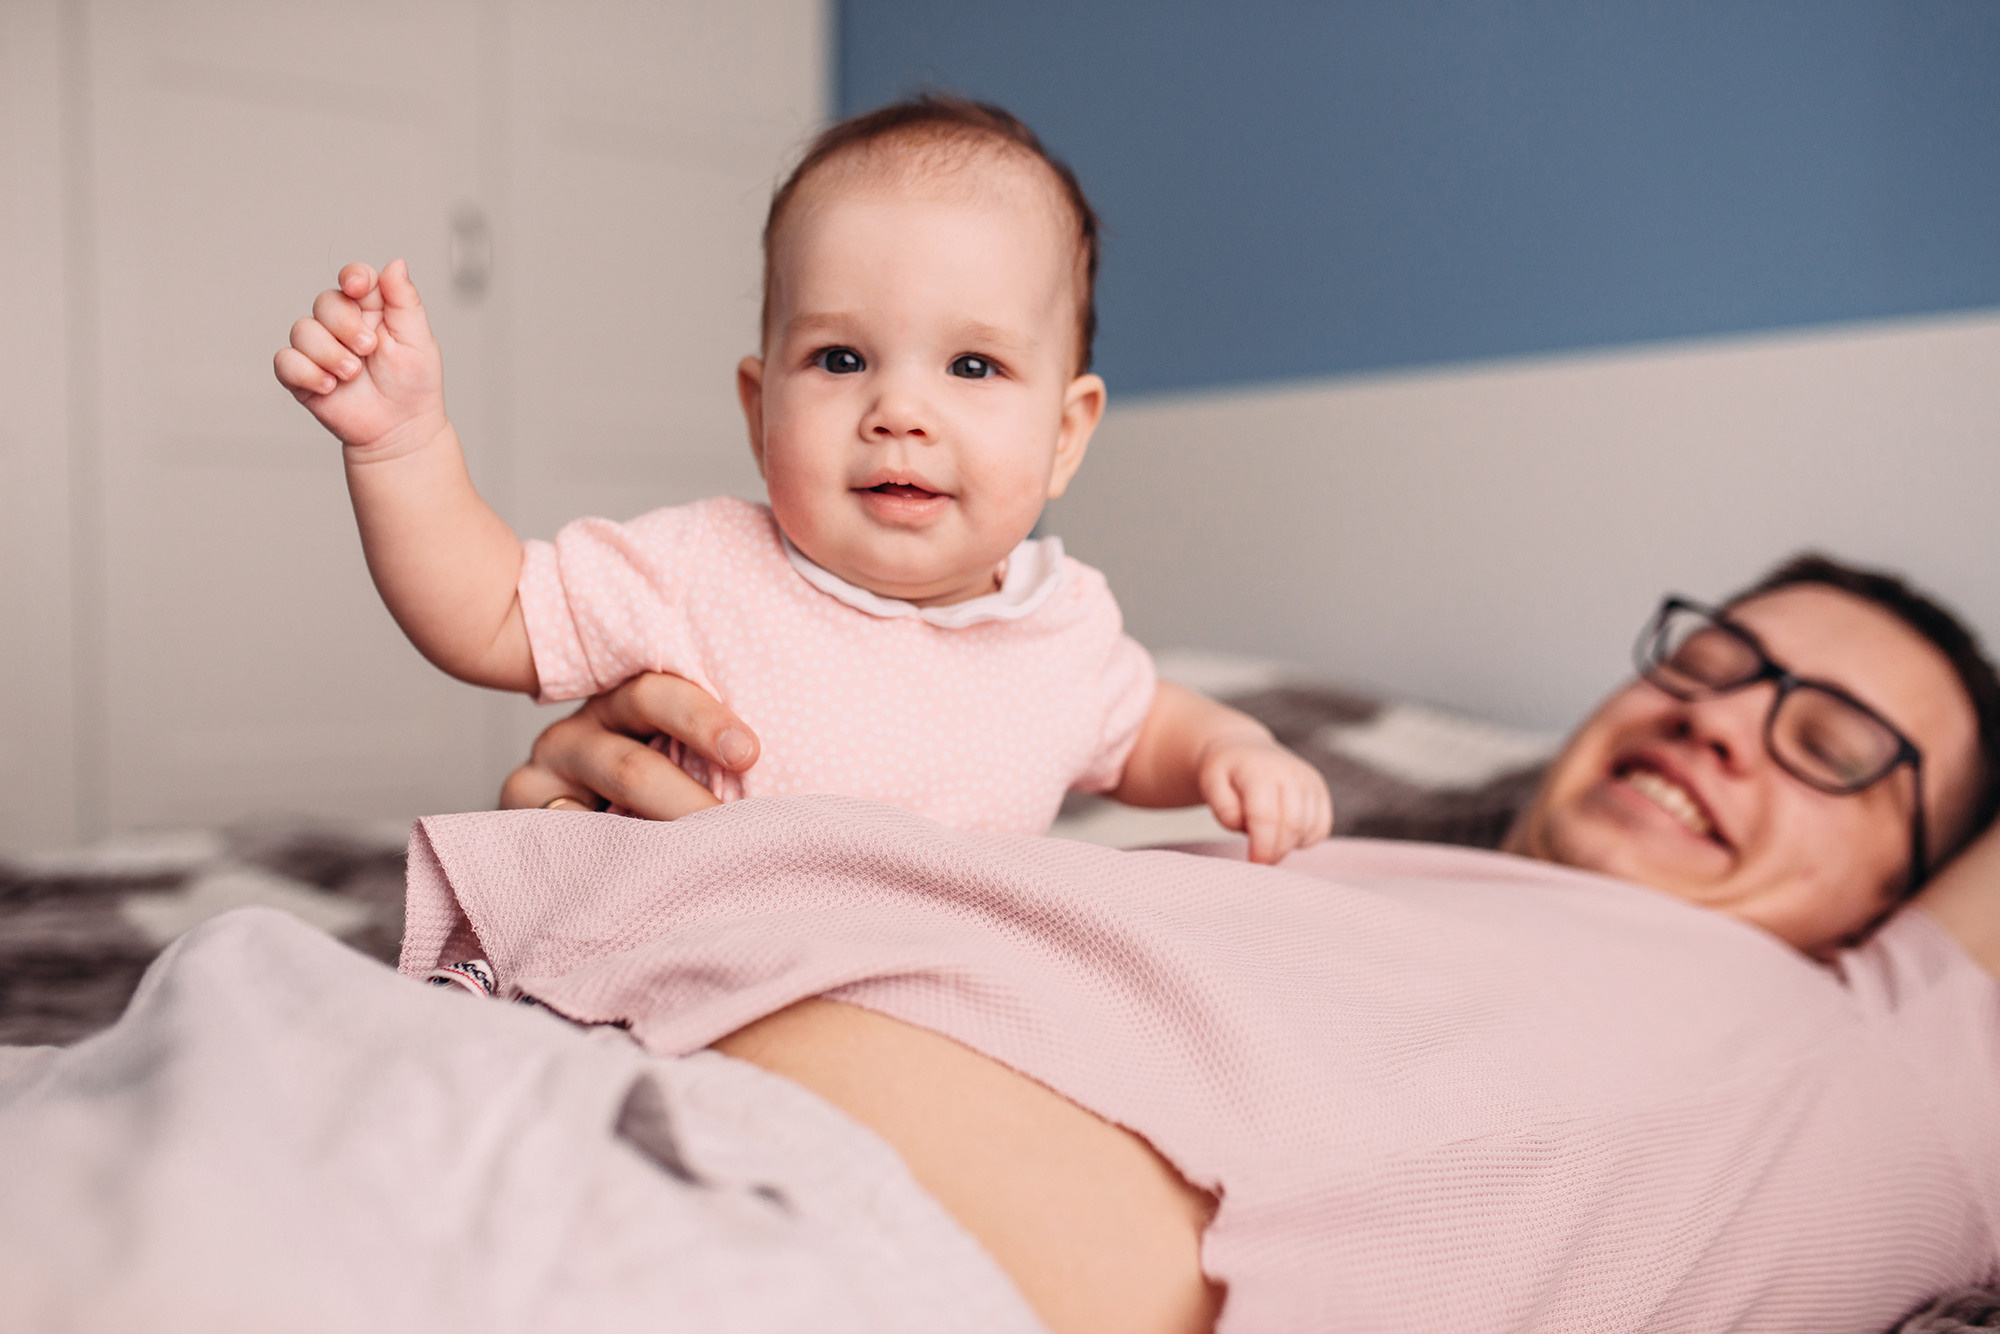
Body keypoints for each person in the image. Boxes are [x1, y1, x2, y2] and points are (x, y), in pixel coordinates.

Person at [482, 552, 2000, 1334]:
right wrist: (671, 834)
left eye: (1831, 741)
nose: (1721, 718)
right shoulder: (1305, 844)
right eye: (1713, 660)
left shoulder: (1890, 1042)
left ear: (1904, 889)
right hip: (497, 1076)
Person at [272, 97, 1330, 863]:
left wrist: (1229, 749)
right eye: (839, 358)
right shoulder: (698, 568)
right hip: (693, 970)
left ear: (1065, 433)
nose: (898, 411)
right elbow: (490, 610)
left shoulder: (1064, 628)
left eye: (972, 365)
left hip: (929, 996)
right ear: (757, 407)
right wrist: (402, 446)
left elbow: (1141, 722)